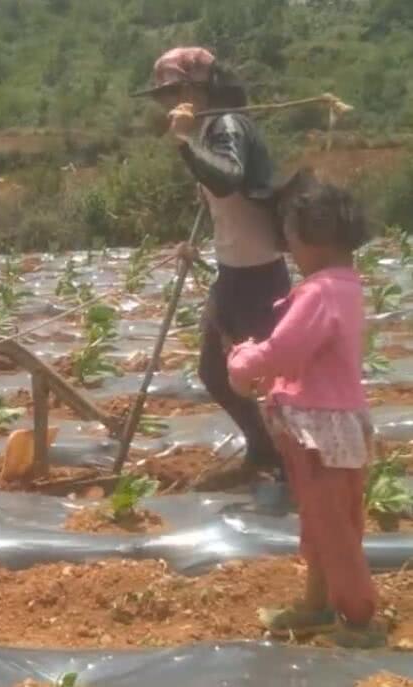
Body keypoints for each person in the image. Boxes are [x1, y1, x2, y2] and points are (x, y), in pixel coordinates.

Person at [227, 172, 385, 649]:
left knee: (331, 527)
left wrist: (242, 362)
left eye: (291, 239)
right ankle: (316, 606)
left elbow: (283, 351)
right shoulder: (347, 285)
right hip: (338, 426)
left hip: (318, 429)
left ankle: (358, 621)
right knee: (327, 520)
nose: (290, 250)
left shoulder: (317, 293)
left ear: (313, 239)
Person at [134, 46, 290, 489]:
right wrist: (196, 244)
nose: (168, 103)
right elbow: (222, 204)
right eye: (163, 95)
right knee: (215, 373)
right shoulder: (211, 128)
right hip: (234, 271)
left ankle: (294, 468)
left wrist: (183, 142)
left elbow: (228, 178)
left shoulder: (227, 125)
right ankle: (264, 450)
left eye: (174, 91)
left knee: (274, 381)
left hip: (258, 275)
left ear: (201, 88)